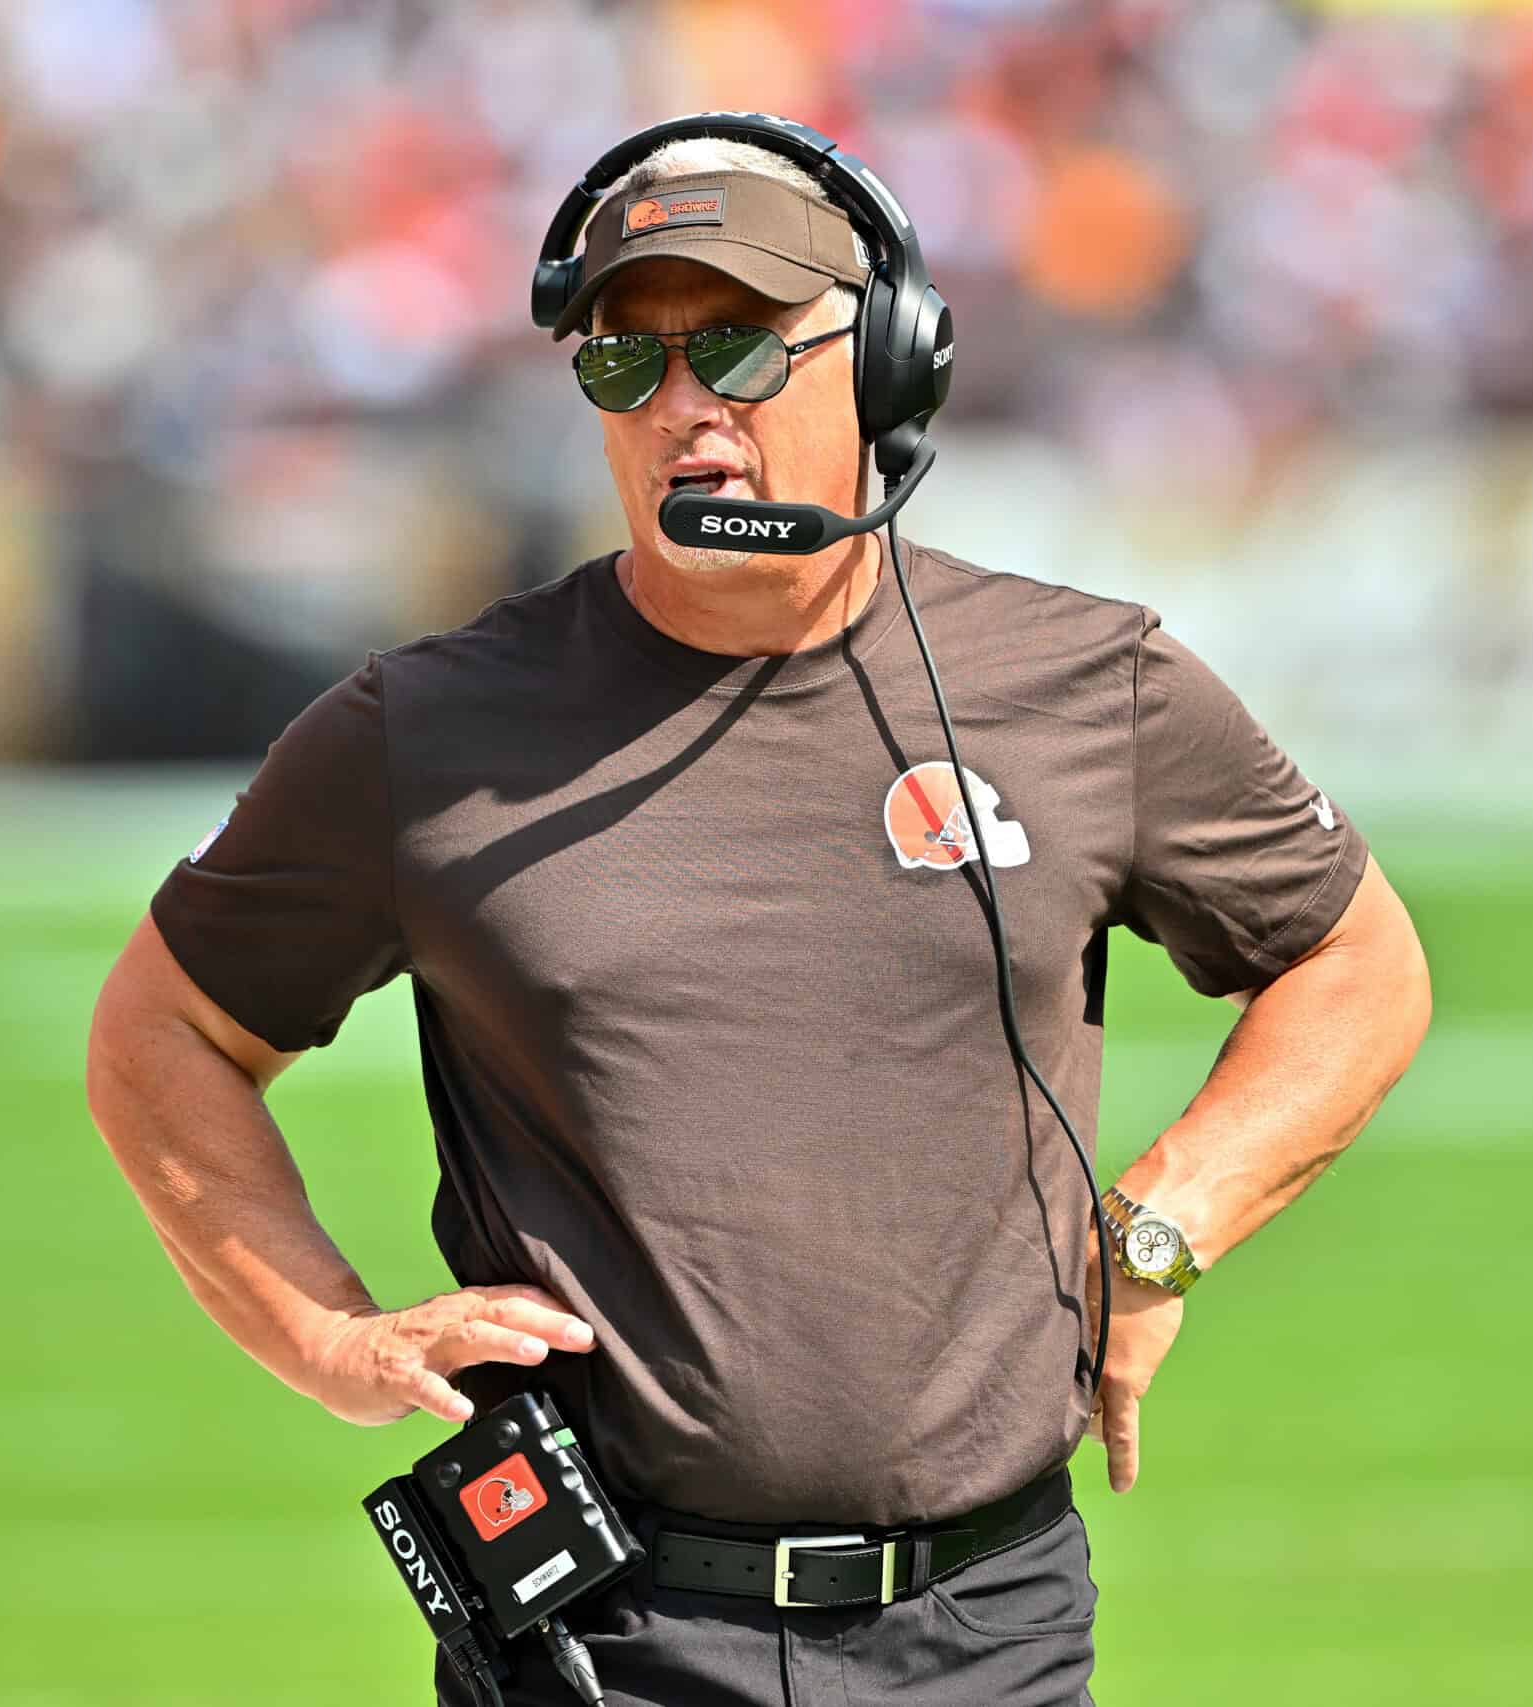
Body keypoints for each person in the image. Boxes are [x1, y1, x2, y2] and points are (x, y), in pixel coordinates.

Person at [85, 119, 1431, 1707]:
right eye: (622, 368)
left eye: (734, 348)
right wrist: (329, 1337)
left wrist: (1161, 1229)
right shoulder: (425, 732)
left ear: (885, 359)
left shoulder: (1087, 686)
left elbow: (1359, 960)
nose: (680, 411)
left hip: (984, 1633)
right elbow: (160, 1032)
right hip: (601, 1643)